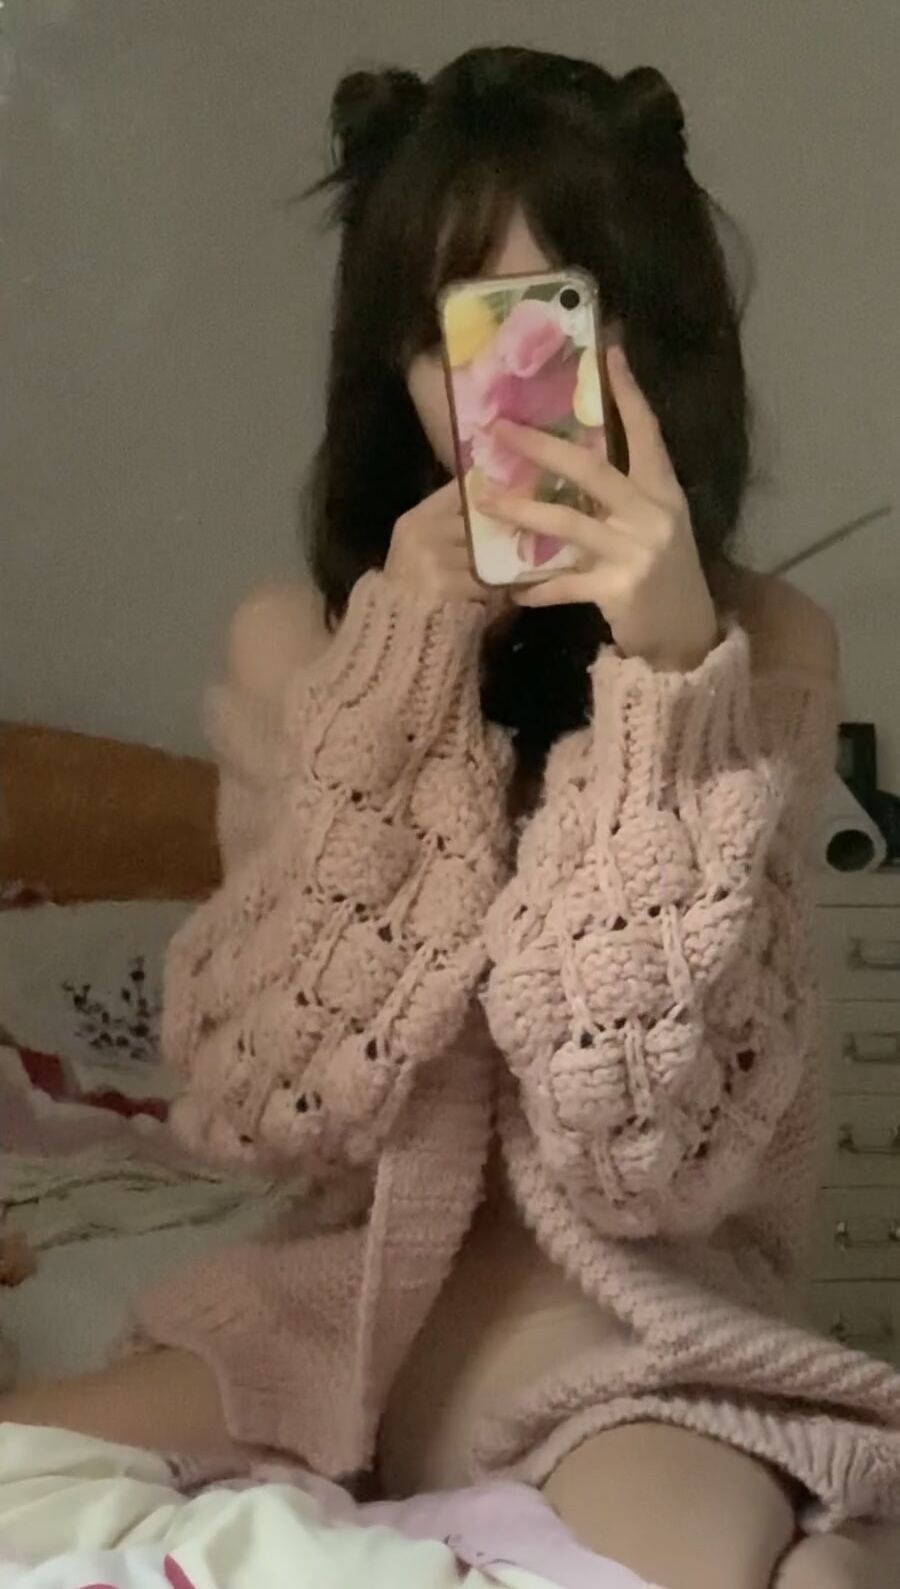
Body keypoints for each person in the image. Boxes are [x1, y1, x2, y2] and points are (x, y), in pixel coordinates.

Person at [3, 45, 899, 1589]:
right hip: (323, 1308)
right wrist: (402, 676)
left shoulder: (766, 642)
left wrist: (668, 686)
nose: (516, 391)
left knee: (716, 1563)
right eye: (464, 334)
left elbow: (645, 1152)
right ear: (400, 367)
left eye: (560, 323)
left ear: (648, 347)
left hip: (615, 1308)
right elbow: (269, 1096)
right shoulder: (301, 638)